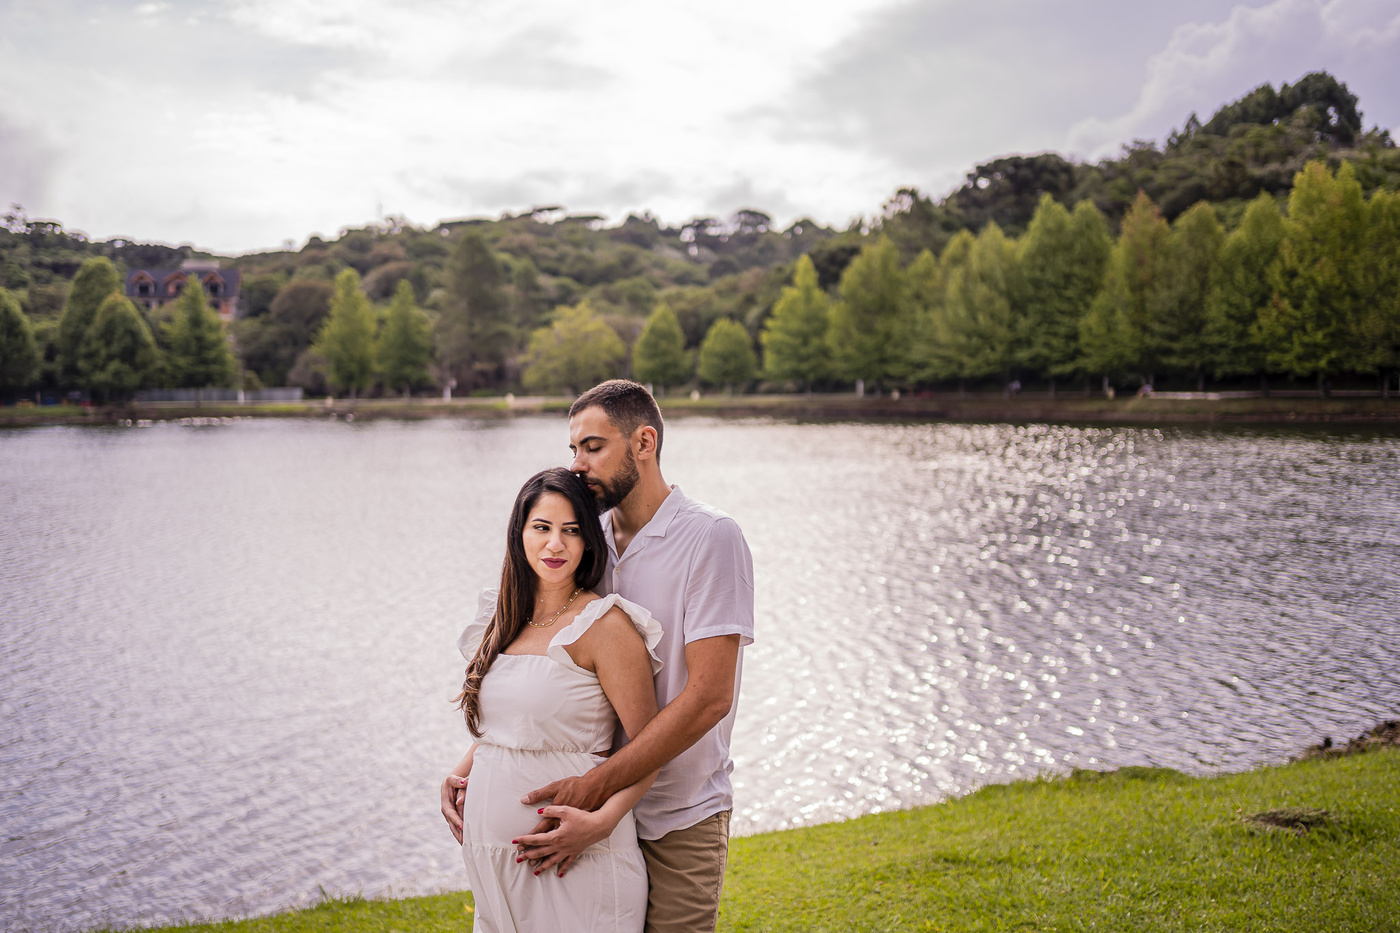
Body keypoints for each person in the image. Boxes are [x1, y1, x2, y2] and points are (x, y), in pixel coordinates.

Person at [515, 380, 755, 933]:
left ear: (644, 442)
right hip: (582, 813)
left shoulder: (712, 538)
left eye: (593, 447)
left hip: (679, 814)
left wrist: (598, 789)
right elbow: (536, 651)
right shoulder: (581, 539)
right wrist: (474, 763)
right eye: (573, 448)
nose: (577, 465)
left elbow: (709, 698)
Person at [440, 467, 664, 932]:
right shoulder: (502, 619)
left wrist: (601, 823)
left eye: (572, 530)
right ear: (519, 534)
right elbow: (513, 725)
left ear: (588, 542)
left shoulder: (605, 626)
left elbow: (650, 750)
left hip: (580, 860)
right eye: (542, 527)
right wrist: (461, 771)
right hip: (496, 867)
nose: (555, 544)